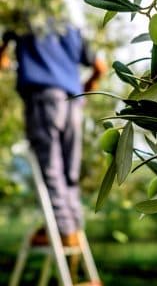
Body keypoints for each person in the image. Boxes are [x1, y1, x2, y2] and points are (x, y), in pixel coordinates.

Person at [0, 21, 105, 247]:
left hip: (44, 98)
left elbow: (1, 56)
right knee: (70, 172)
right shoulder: (70, 27)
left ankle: (64, 231)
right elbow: (100, 67)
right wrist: (82, 92)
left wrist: (7, 61)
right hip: (73, 103)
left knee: (51, 167)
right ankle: (73, 228)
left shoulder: (24, 17)